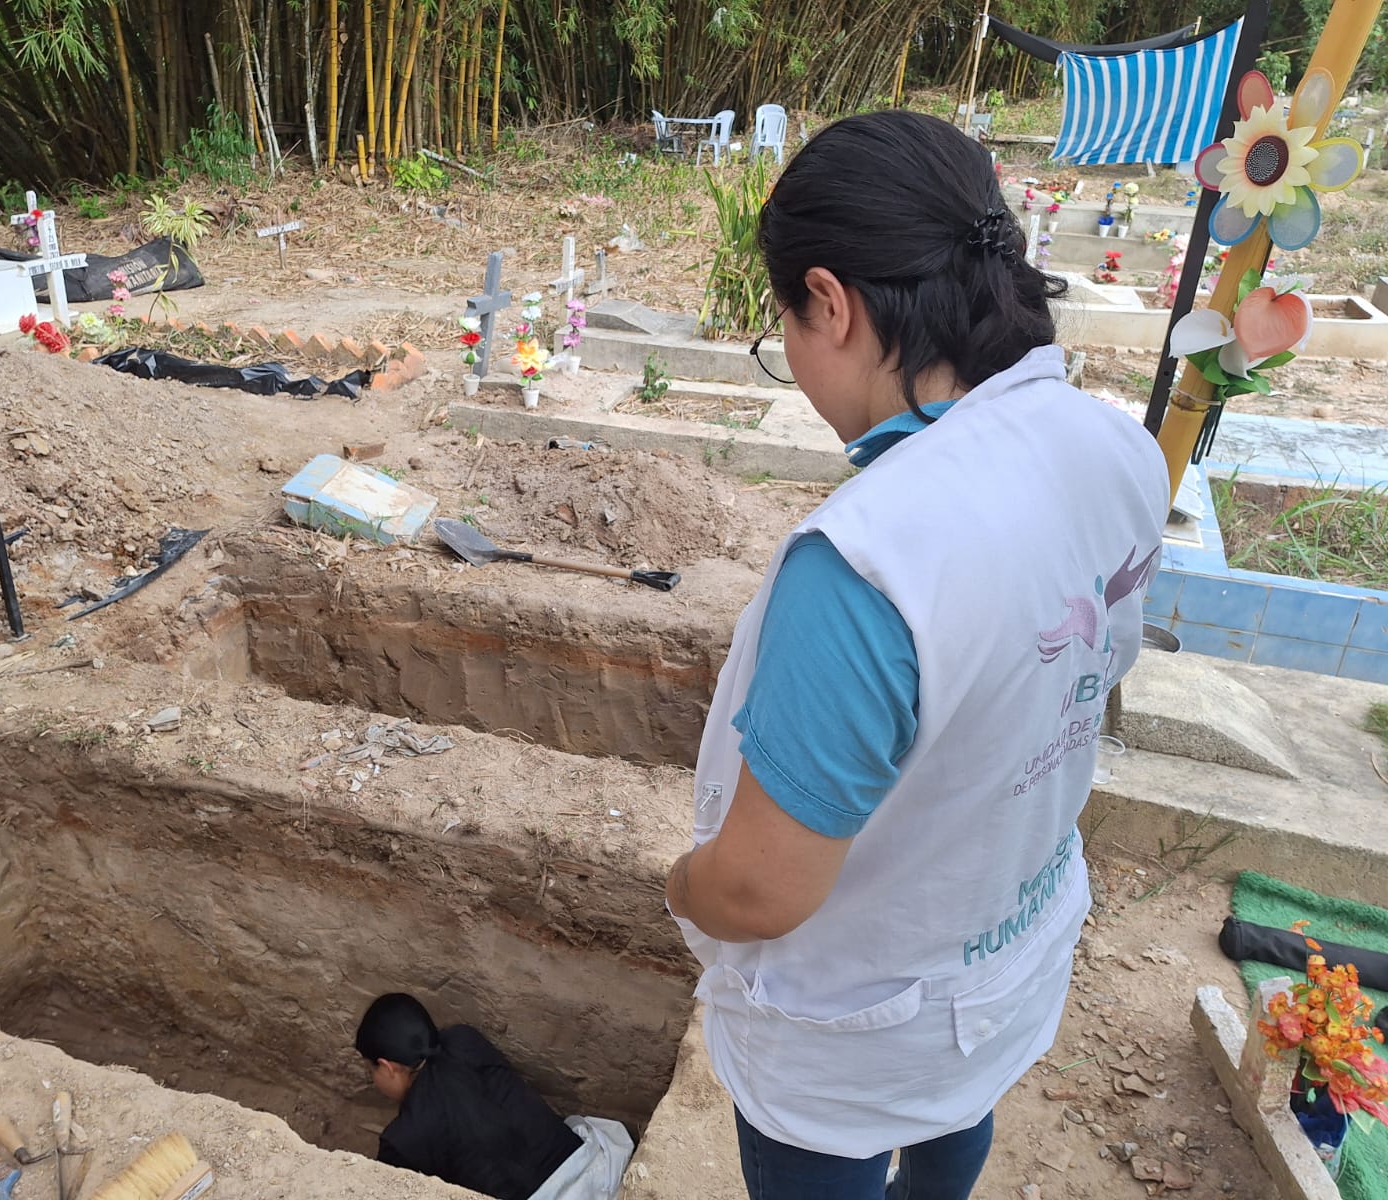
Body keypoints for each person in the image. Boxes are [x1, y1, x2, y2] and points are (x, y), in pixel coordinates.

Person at [664, 111, 1168, 1200]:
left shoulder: (864, 566)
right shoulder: (1113, 447)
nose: (792, 357)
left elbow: (758, 889)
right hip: (1005, 942)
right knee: (952, 1134)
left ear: (832, 303)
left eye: (785, 327)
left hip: (859, 1027)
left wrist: (685, 882)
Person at [355, 993, 632, 1200]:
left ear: (388, 1067)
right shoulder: (466, 1041)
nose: (373, 1080)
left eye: (371, 1070)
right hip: (597, 1173)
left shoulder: (402, 1140)